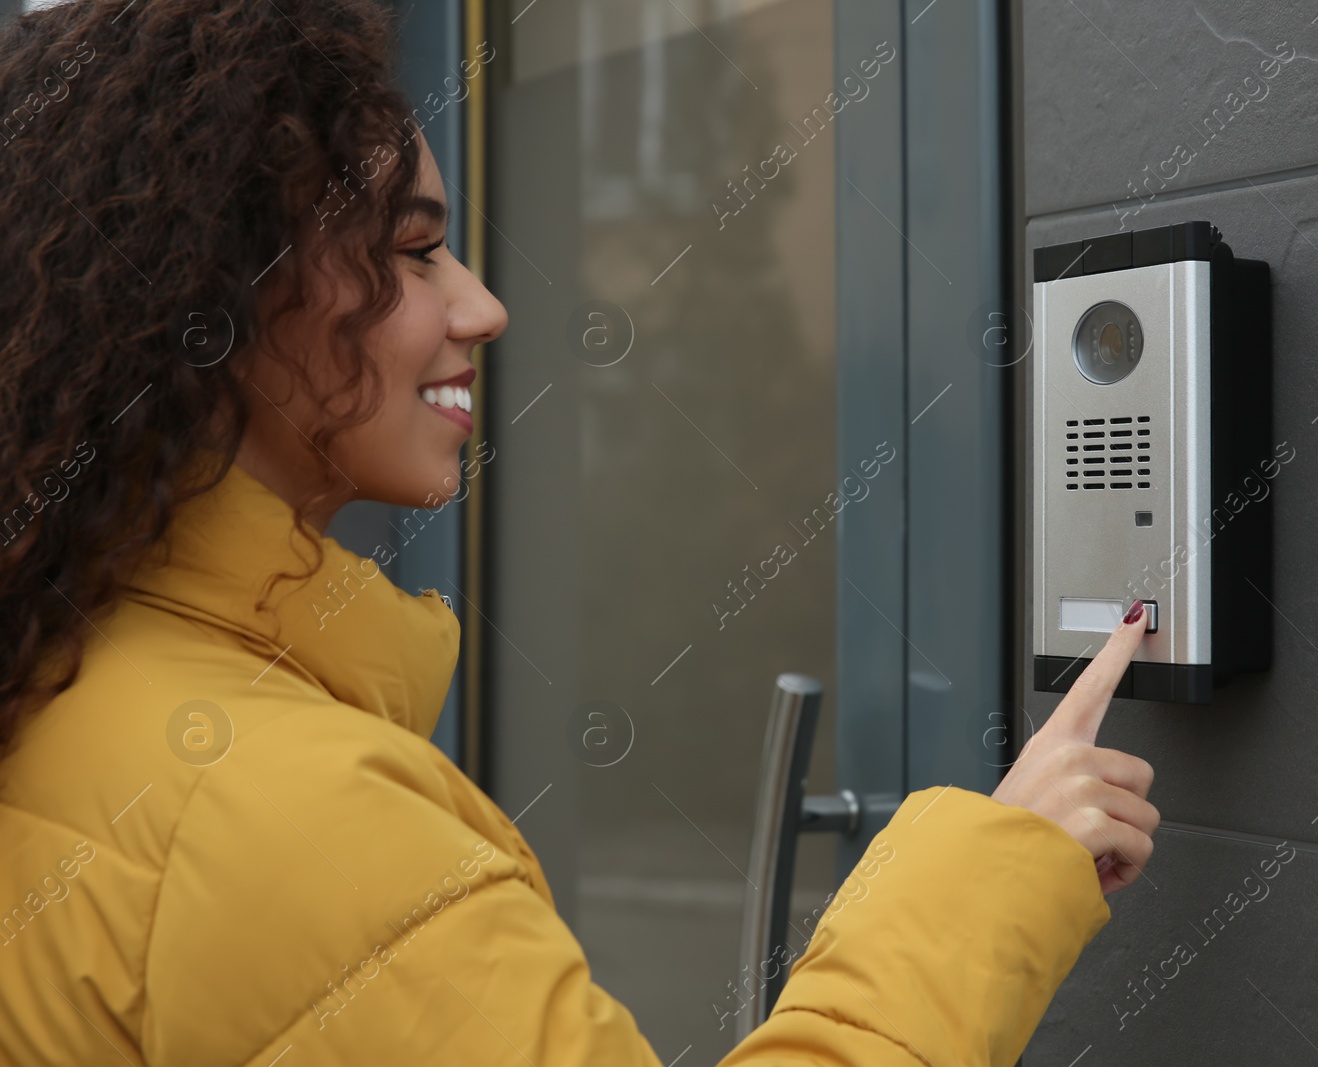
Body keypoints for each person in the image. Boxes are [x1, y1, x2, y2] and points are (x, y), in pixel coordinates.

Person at [0, 1, 1160, 1063]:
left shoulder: (61, 673)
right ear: (213, 298)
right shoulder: (295, 822)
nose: (483, 306)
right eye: (413, 250)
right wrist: (989, 879)